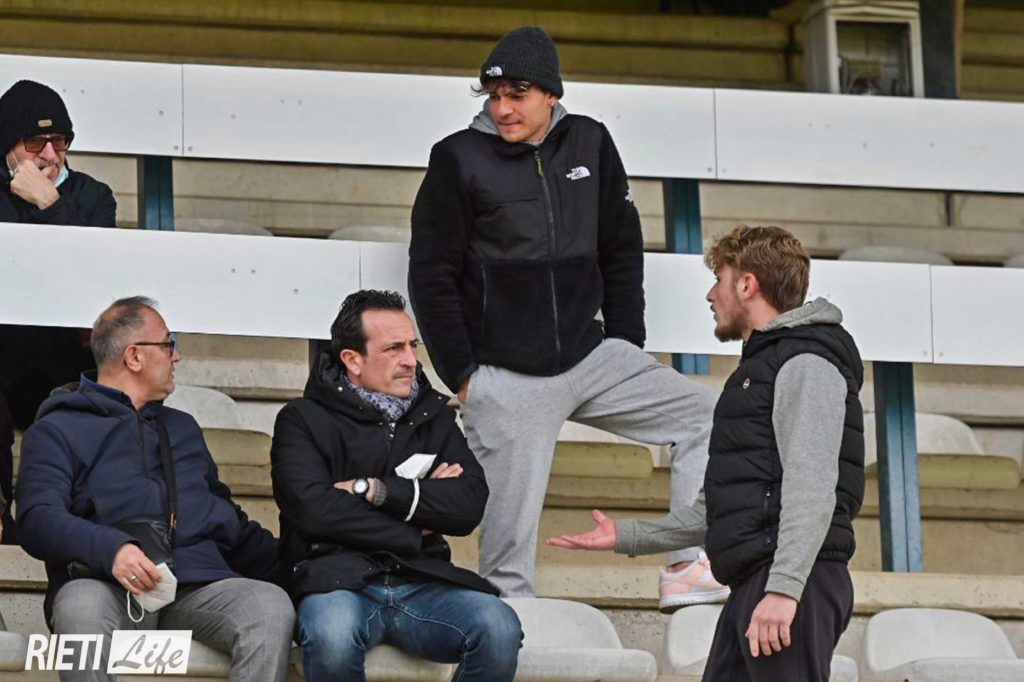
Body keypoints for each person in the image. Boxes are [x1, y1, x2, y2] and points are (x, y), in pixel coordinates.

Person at [408, 25, 722, 609]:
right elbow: (430, 273)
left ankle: (686, 565)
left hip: (591, 356)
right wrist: (465, 377)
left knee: (710, 417)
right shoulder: (457, 157)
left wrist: (625, 342)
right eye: (493, 96)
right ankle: (511, 636)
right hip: (507, 377)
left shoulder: (591, 142)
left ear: (551, 93)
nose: (503, 109)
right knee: (506, 566)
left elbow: (621, 248)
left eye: (517, 95)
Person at [548, 225, 865, 682]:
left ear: (747, 284)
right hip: (757, 580)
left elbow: (812, 488)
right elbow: (718, 508)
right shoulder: (763, 368)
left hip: (791, 583)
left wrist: (784, 590)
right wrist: (629, 535)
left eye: (719, 279)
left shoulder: (805, 363)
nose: (710, 294)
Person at [16, 296, 294, 682]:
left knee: (268, 606)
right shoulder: (56, 429)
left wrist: (307, 569)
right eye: (168, 344)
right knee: (79, 608)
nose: (176, 356)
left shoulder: (183, 429)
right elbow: (36, 518)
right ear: (134, 356)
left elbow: (229, 524)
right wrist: (113, 550)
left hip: (195, 588)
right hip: (105, 586)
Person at [271, 290, 522, 682]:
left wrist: (374, 490)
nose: (410, 360)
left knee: (499, 627)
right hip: (337, 582)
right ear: (352, 360)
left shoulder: (434, 417)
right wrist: (416, 526)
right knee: (332, 635)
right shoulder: (301, 418)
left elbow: (469, 504)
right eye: (393, 349)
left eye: (412, 346)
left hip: (423, 580)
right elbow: (313, 510)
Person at [0, 79, 118, 543]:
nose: (50, 155)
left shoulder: (93, 196)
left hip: (66, 354)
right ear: (7, 145)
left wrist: (50, 204)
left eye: (60, 141)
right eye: (35, 142)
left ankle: (56, 520)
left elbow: (96, 275)